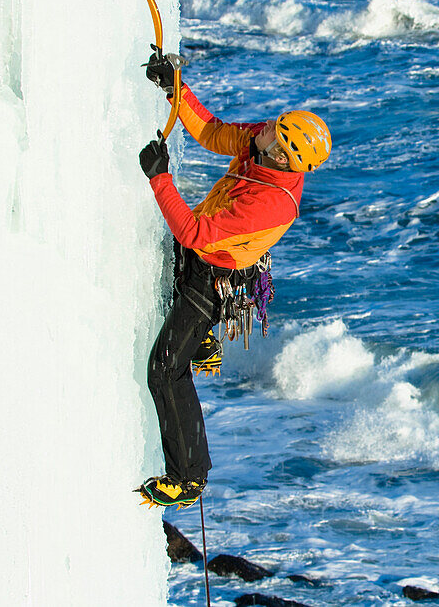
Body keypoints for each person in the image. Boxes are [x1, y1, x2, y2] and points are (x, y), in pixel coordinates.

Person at [136, 52, 331, 509]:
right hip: (205, 250)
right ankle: (202, 339)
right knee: (172, 263)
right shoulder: (268, 143)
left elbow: (195, 234)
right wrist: (175, 89)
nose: (263, 126)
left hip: (216, 275)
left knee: (165, 369)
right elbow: (213, 132)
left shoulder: (272, 202)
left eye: (274, 129)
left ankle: (188, 478)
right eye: (275, 123)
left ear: (284, 155)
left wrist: (159, 178)